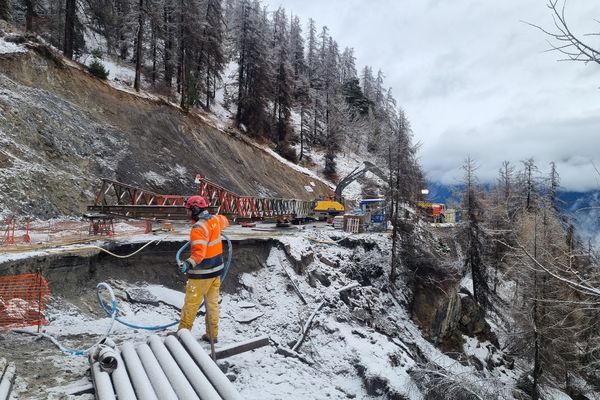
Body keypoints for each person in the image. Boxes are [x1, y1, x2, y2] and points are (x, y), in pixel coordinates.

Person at [178, 195, 229, 343]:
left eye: (189, 210)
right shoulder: (215, 220)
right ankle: (212, 335)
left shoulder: (198, 228)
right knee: (212, 305)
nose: (187, 214)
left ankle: (182, 335)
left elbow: (199, 254)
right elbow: (225, 220)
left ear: (194, 209)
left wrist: (188, 264)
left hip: (201, 274)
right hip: (216, 272)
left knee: (191, 304)